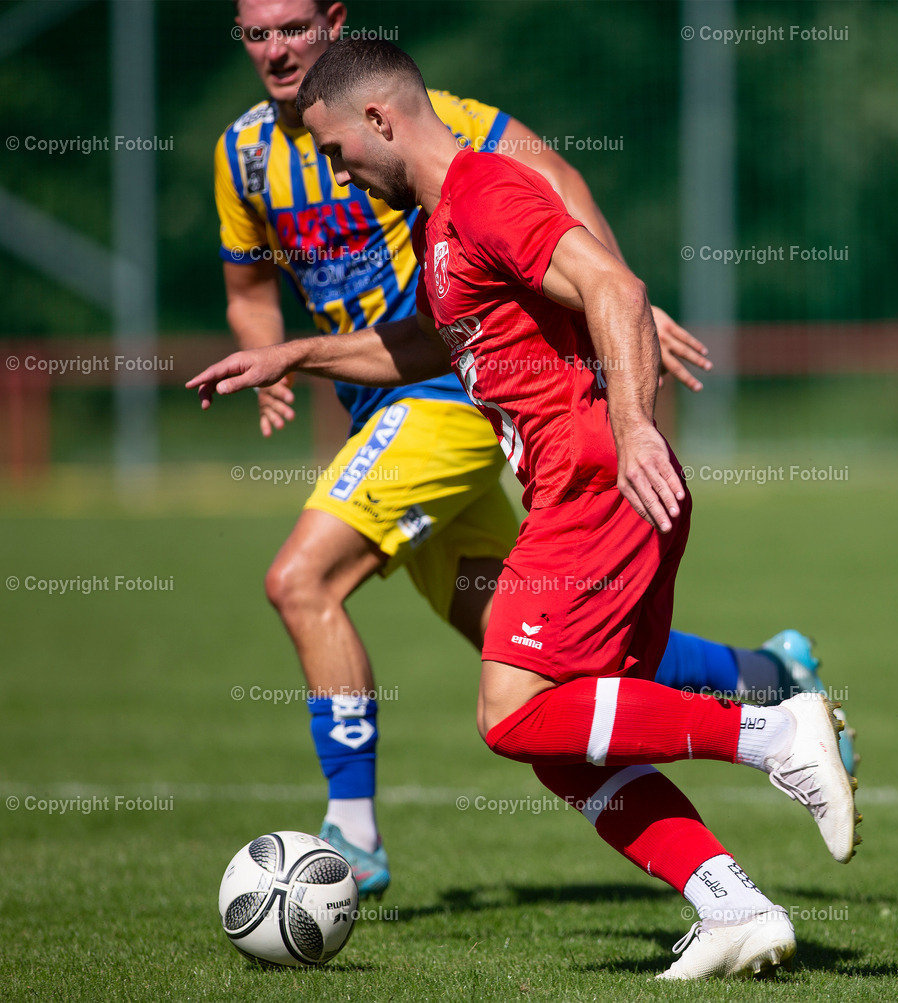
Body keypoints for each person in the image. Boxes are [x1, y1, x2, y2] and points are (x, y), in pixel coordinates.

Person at [190, 38, 862, 980]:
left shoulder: (483, 192)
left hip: (595, 482)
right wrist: (295, 356)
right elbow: (425, 348)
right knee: (565, 741)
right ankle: (733, 906)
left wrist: (631, 426)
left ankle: (775, 728)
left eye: (340, 151)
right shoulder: (440, 230)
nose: (339, 172)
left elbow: (614, 287)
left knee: (511, 713)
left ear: (380, 119)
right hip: (582, 485)